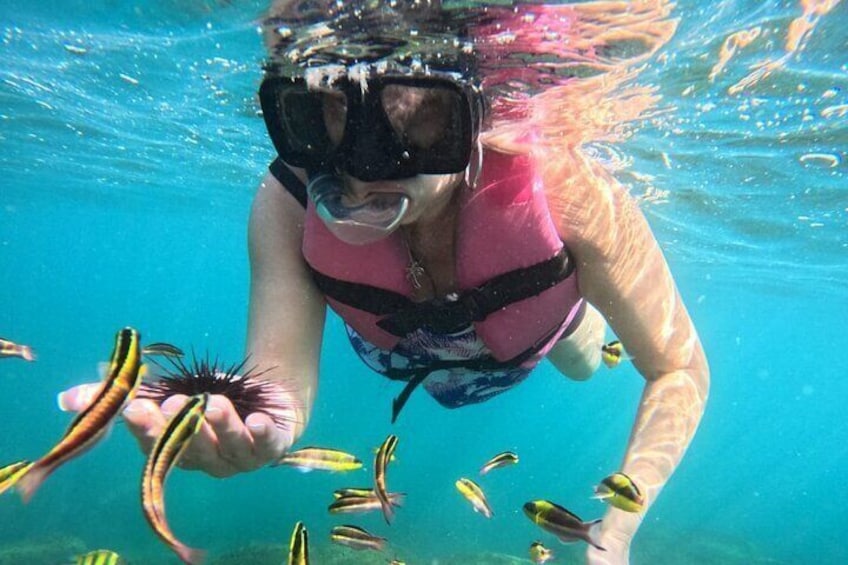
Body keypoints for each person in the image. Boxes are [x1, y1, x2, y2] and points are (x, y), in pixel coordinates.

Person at [60, 1, 709, 563]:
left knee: (583, 356)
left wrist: (617, 527)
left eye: (416, 121)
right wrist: (269, 422)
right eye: (325, 115)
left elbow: (678, 367)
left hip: (534, 337)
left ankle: (582, 324)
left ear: (475, 118)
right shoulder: (285, 205)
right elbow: (277, 380)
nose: (364, 171)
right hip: (390, 348)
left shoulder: (572, 199)